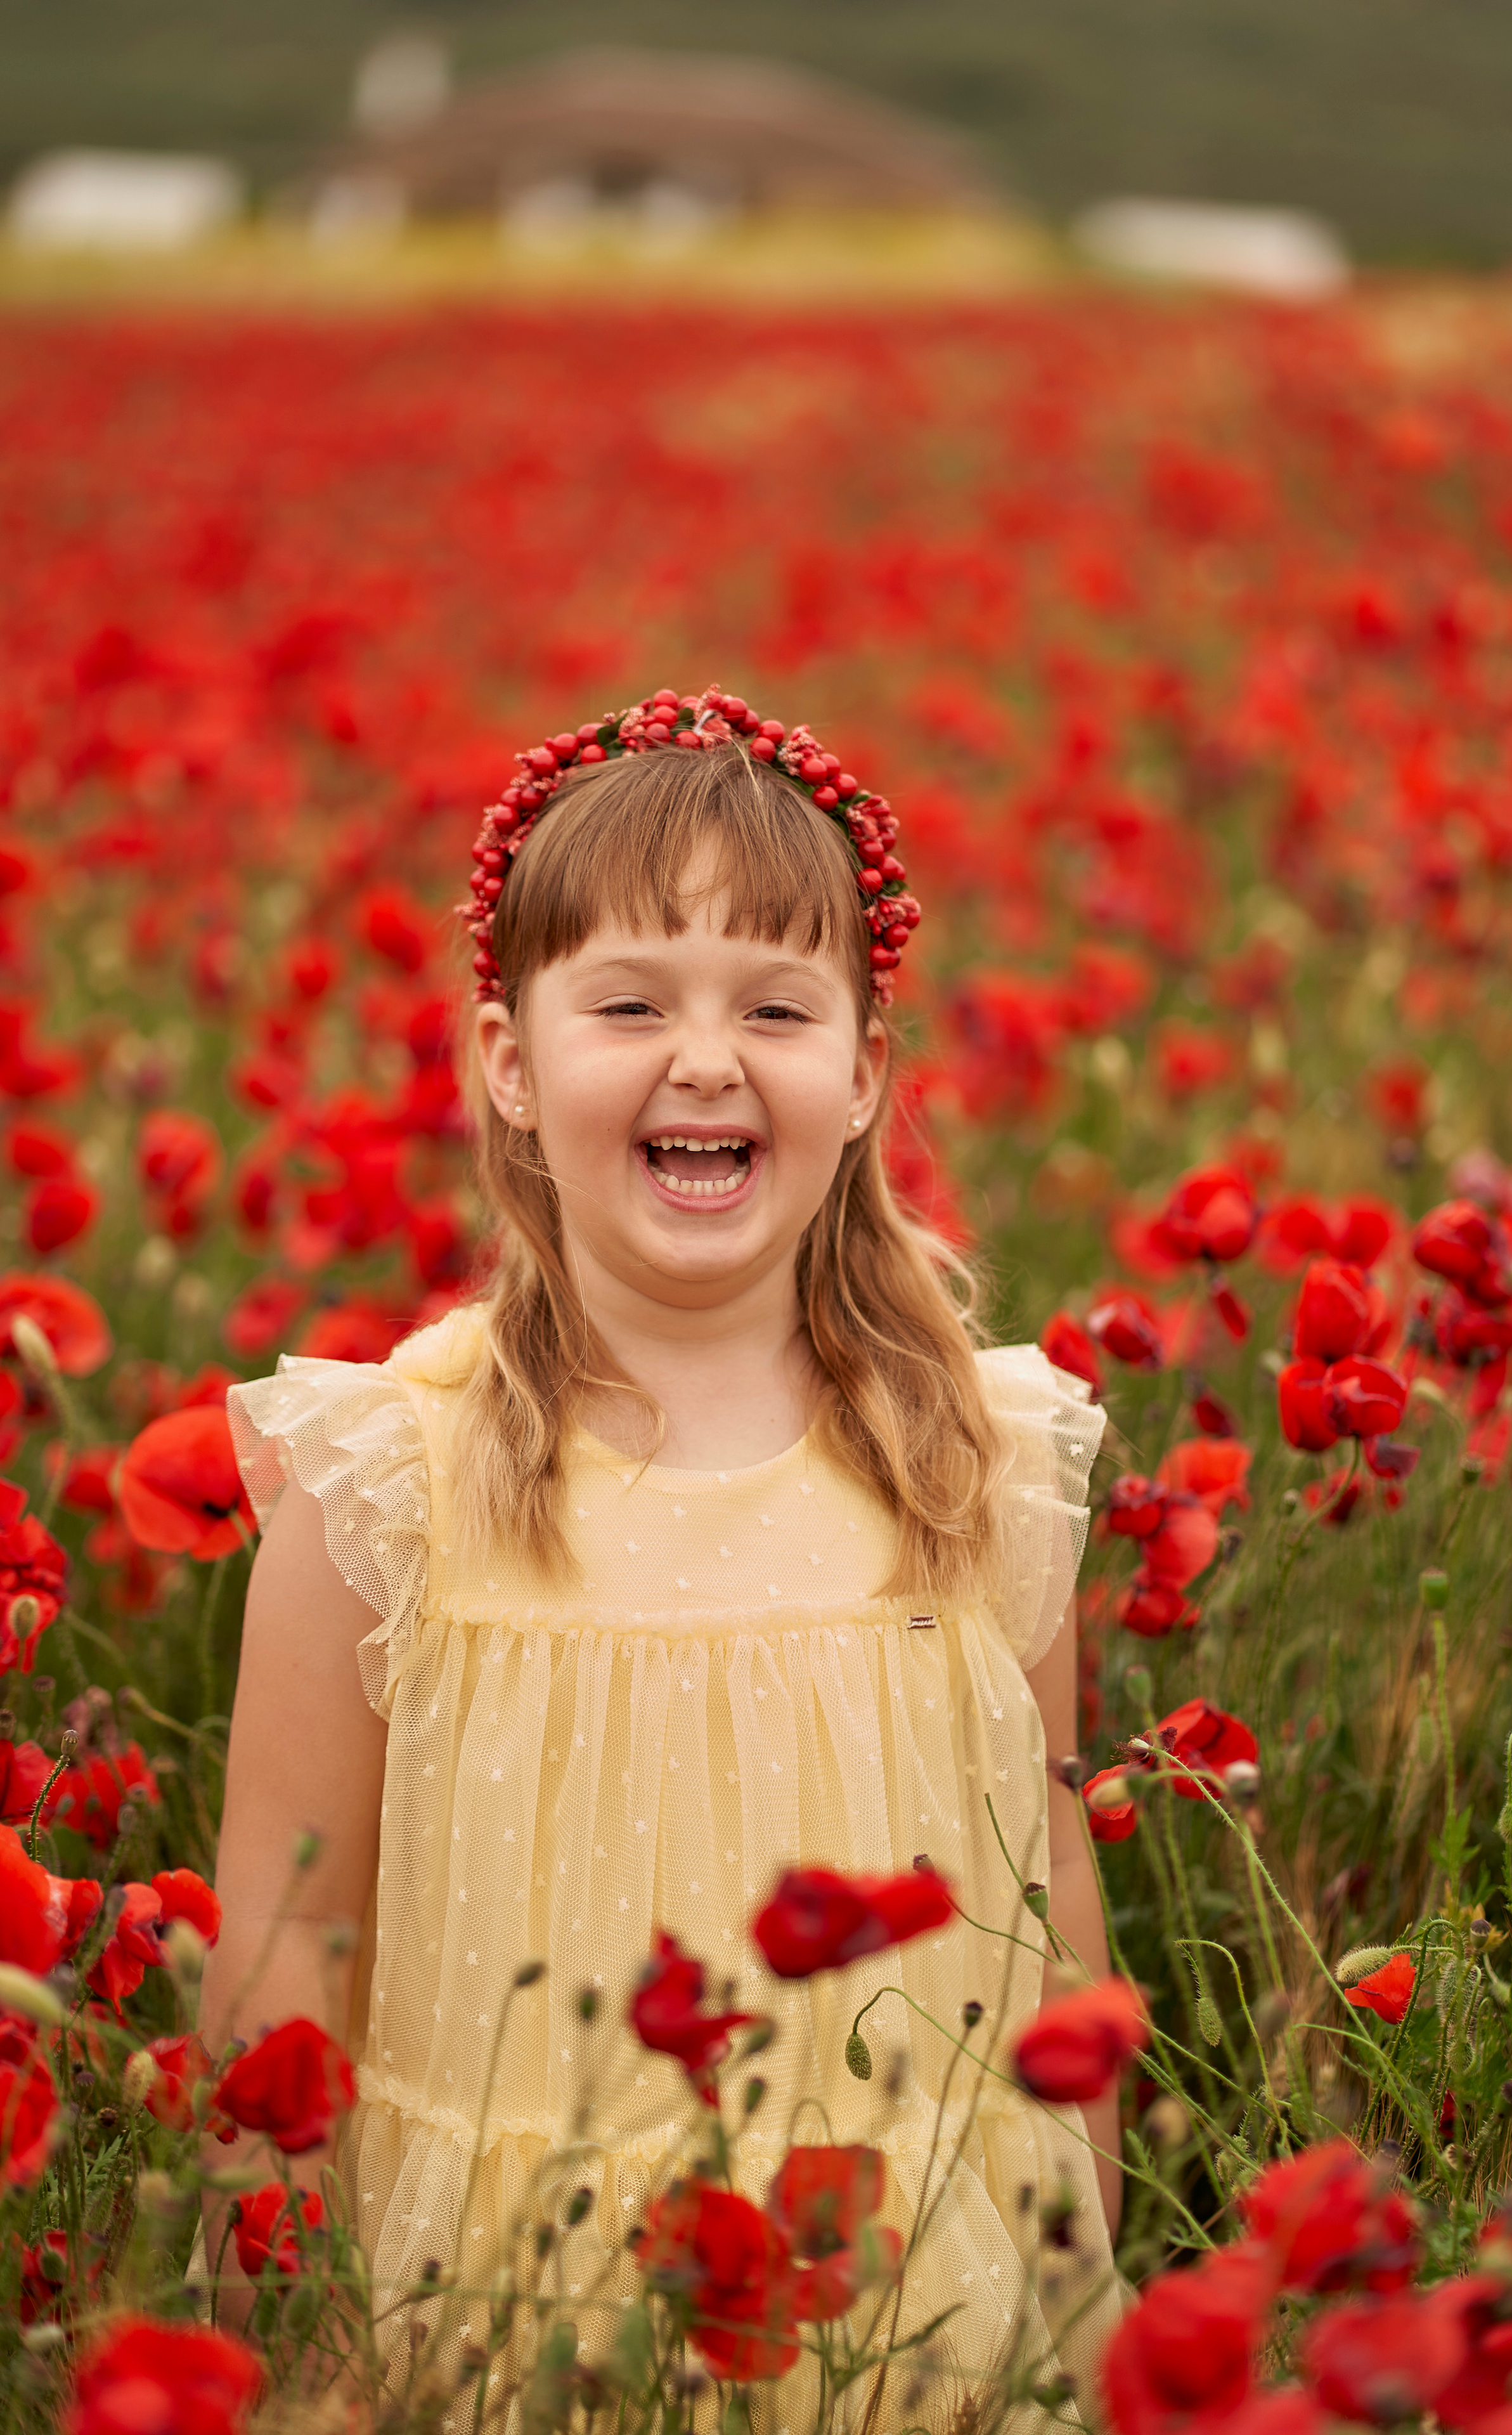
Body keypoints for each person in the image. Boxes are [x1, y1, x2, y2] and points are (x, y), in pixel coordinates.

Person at [202, 685, 1118, 2422]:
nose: (706, 1058)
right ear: (510, 1065)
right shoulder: (388, 1479)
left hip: (906, 2296)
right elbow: (288, 1941)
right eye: (630, 1002)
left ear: (861, 1077)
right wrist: (307, 2338)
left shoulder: (973, 1466)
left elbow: (1050, 1883)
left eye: (775, 1007)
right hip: (500, 2299)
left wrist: (1088, 2240)